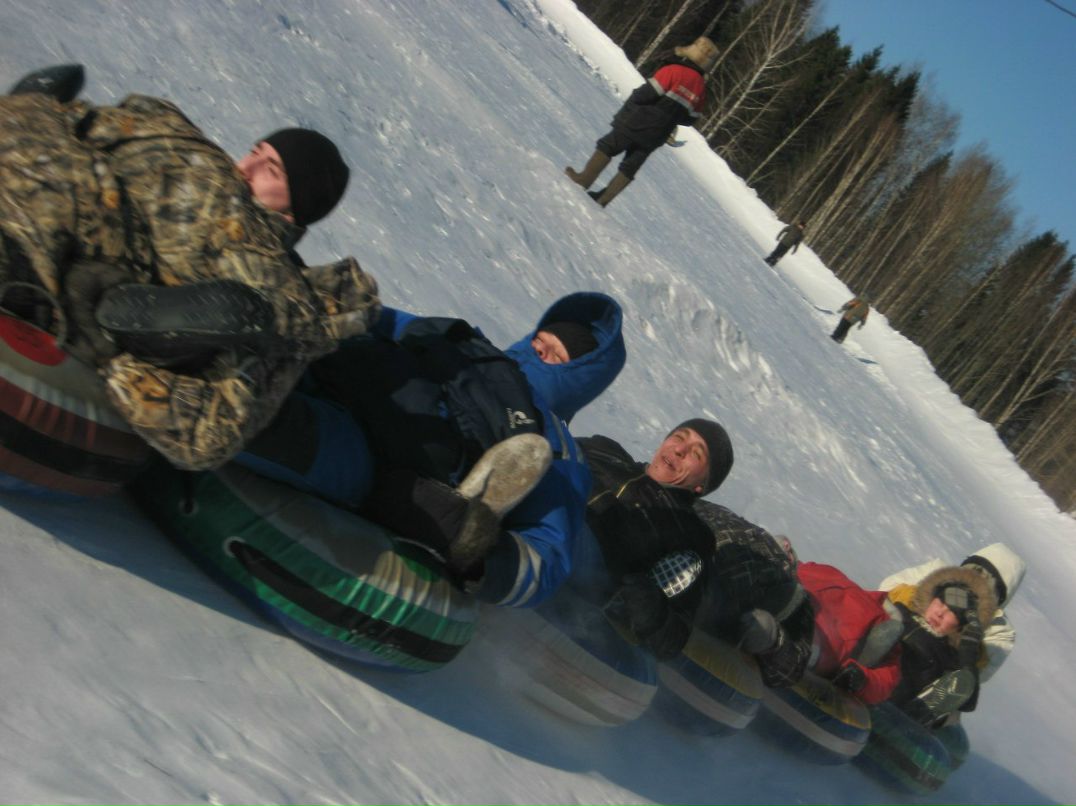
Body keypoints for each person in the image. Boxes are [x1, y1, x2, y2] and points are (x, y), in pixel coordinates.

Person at [0, 65, 377, 471]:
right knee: (55, 161)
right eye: (255, 151)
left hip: (97, 272)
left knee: (69, 224)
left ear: (296, 212)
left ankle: (134, 318)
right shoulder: (178, 143)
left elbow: (211, 432)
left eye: (270, 170)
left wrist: (110, 359)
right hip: (67, 188)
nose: (244, 168)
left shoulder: (276, 289)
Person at [237, 291, 627, 609]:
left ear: (581, 381)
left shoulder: (554, 444)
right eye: (538, 341)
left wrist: (476, 547)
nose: (536, 352)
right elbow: (374, 319)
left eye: (554, 355)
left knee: (257, 424)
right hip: (338, 375)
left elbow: (546, 561)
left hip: (380, 461)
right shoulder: (465, 340)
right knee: (242, 345)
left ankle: (473, 502)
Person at [576, 419, 735, 659]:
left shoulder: (690, 535)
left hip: (580, 573)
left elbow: (672, 638)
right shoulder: (605, 450)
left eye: (696, 454)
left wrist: (648, 604)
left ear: (702, 485)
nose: (679, 450)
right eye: (679, 438)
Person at [564, 36, 718, 208]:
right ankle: (603, 199)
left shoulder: (674, 70)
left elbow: (645, 94)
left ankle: (583, 180)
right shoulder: (701, 90)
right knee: (631, 165)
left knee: (608, 146)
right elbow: (690, 119)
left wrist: (635, 101)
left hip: (637, 122)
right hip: (658, 135)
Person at [691, 507, 816, 688]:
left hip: (701, 596)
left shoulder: (790, 591)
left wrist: (772, 638)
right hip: (687, 575)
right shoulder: (791, 588)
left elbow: (793, 665)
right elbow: (791, 669)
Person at [880, 543, 1026, 686]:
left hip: (925, 676)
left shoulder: (999, 629)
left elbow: (977, 674)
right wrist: (920, 603)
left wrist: (961, 635)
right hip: (889, 638)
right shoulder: (937, 573)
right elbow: (886, 589)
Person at [886, 565, 997, 727]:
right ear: (932, 598)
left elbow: (967, 702)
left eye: (953, 612)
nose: (940, 613)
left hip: (891, 711)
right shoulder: (899, 612)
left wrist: (967, 653)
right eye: (941, 602)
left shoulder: (950, 658)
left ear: (961, 625)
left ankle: (913, 717)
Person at [796, 561, 903, 704]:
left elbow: (886, 679)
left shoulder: (885, 630)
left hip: (810, 646)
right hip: (792, 612)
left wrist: (860, 679)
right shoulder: (831, 574)